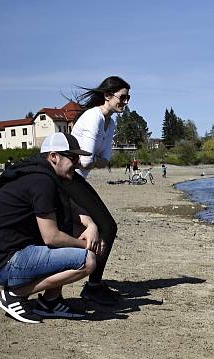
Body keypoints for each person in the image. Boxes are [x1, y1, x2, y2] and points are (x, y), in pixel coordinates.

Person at [0, 133, 100, 323]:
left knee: (73, 229)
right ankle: (15, 295)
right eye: (72, 157)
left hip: (3, 255)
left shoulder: (40, 175)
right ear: (54, 156)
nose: (77, 163)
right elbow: (51, 237)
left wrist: (91, 224)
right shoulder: (42, 182)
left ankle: (51, 301)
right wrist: (85, 245)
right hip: (5, 262)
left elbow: (73, 209)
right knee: (88, 260)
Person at [64, 76, 130, 306]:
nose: (125, 102)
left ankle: (94, 284)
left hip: (77, 179)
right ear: (108, 96)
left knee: (106, 227)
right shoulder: (92, 117)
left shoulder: (110, 122)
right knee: (107, 226)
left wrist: (94, 160)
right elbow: (87, 160)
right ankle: (92, 285)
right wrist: (95, 160)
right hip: (67, 179)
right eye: (122, 97)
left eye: (127, 98)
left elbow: (105, 160)